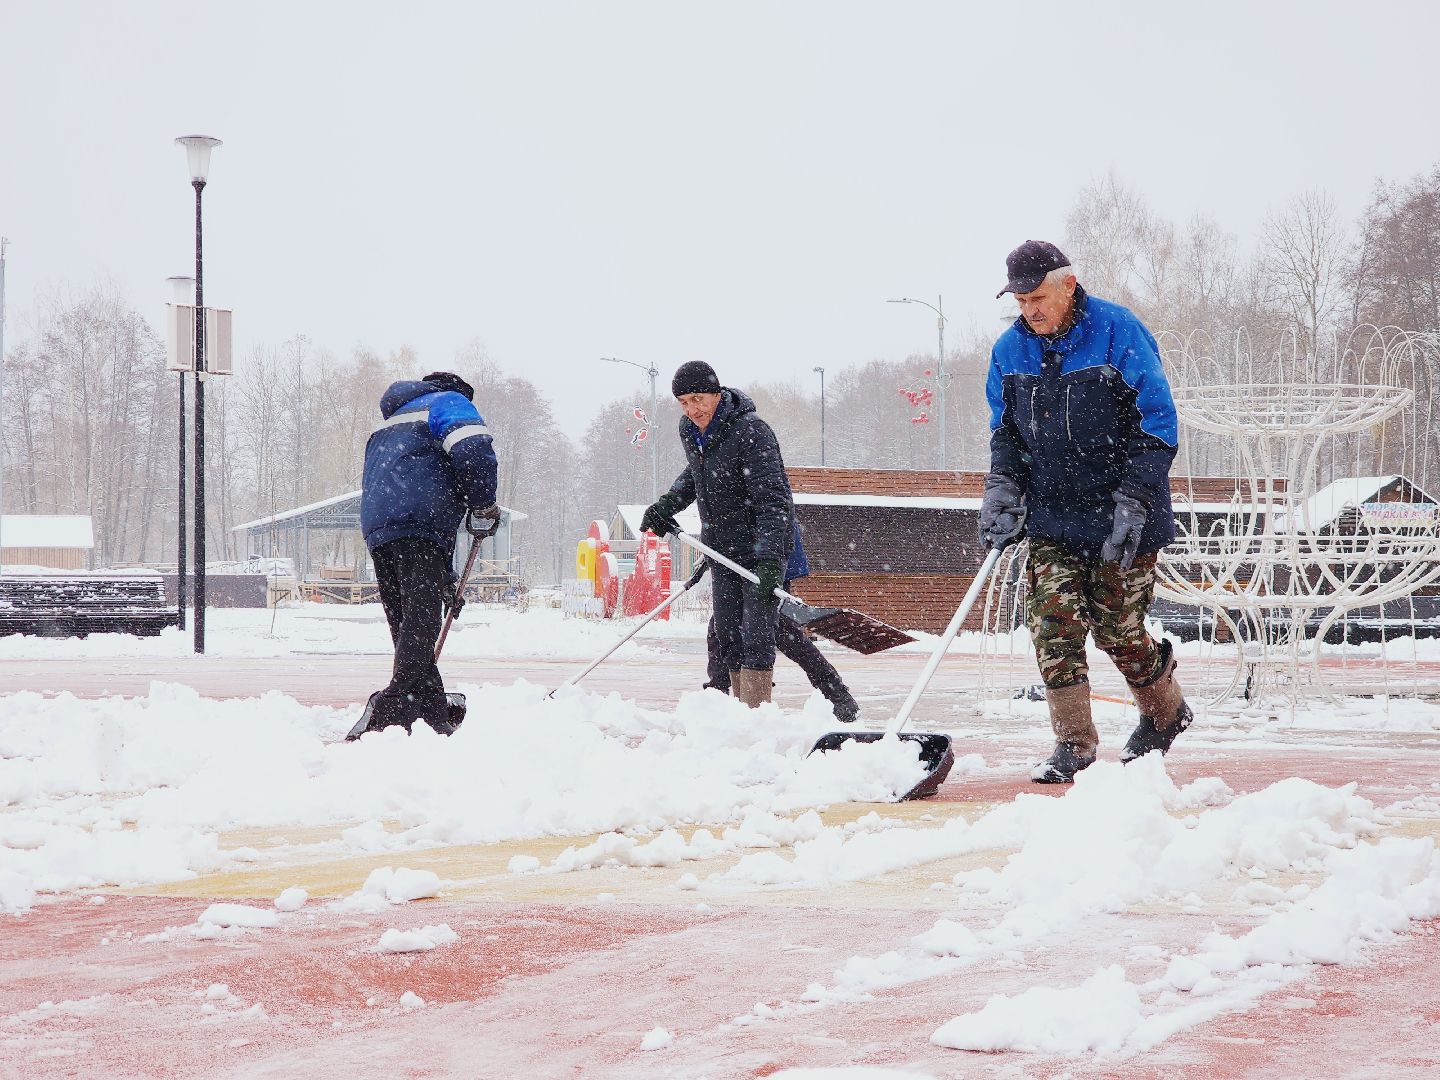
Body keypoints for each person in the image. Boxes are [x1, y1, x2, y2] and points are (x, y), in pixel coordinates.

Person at [980, 240, 1192, 783]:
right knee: (1054, 625)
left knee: (1118, 631)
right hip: (1053, 514)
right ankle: (1074, 743)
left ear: (1068, 285)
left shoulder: (1120, 332)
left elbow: (1157, 424)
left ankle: (1167, 713)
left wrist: (1134, 500)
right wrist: (1003, 488)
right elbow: (1005, 433)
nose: (1030, 310)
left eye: (1037, 297)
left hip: (1124, 510)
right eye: (1021, 300)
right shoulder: (1009, 352)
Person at [640, 361, 794, 708]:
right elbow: (698, 473)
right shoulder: (689, 429)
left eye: (697, 399)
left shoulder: (752, 431)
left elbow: (773, 499)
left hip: (760, 548)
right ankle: (736, 716)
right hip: (721, 547)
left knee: (757, 635)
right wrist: (668, 504)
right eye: (683, 402)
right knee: (728, 633)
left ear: (716, 393)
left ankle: (757, 713)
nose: (692, 410)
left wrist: (770, 558)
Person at [357, 371, 500, 735]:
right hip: (420, 523)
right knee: (420, 623)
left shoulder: (390, 423)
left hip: (380, 527)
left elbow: (418, 483)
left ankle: (429, 702)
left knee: (406, 622)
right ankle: (398, 707)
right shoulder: (449, 401)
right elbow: (472, 449)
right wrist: (483, 504)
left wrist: (446, 578)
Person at [703, 523, 861, 722]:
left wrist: (766, 557)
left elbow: (772, 513)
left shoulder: (764, 498)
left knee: (782, 632)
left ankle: (837, 694)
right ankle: (718, 698)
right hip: (742, 555)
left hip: (769, 559)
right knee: (722, 628)